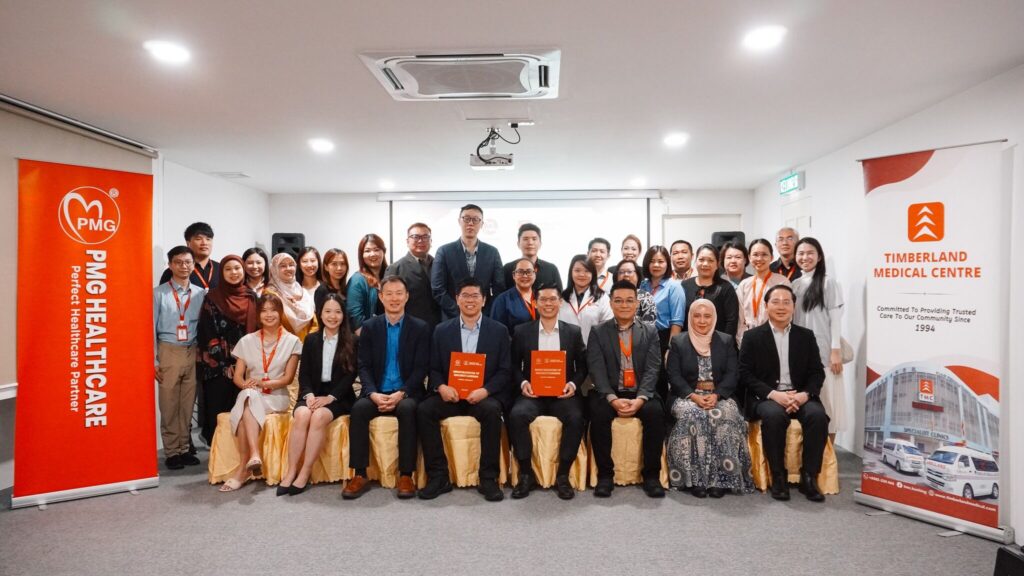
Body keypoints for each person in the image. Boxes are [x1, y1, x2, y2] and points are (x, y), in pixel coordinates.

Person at [417, 278, 512, 502]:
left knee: (492, 412)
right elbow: (433, 367)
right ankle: (438, 476)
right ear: (457, 299)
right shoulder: (441, 330)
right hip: (451, 395)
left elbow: (505, 371)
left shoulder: (499, 331)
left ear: (484, 300)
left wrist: (485, 391)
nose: (470, 300)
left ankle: (488, 478)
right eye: (465, 296)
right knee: (424, 410)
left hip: (482, 396)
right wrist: (441, 386)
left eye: (475, 296)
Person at [739, 285, 828, 502]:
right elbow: (745, 373)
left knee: (817, 416)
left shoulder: (806, 336)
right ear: (766, 306)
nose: (781, 307)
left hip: (800, 395)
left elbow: (817, 372)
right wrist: (772, 394)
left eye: (786, 302)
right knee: (774, 416)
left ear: (793, 307)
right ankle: (778, 476)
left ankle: (809, 477)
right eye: (776, 302)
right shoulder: (752, 336)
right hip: (767, 396)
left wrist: (805, 395)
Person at [345, 276, 431, 500]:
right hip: (377, 391)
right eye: (389, 294)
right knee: (359, 409)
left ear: (407, 296)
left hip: (406, 392)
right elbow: (363, 365)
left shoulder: (420, 328)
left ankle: (406, 475)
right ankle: (360, 473)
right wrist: (372, 393)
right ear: (381, 297)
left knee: (408, 409)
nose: (394, 298)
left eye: (399, 293)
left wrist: (402, 393)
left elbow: (421, 368)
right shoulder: (370, 327)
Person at [507, 284, 588, 500]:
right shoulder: (522, 331)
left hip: (563, 394)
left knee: (576, 417)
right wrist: (523, 383)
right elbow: (513, 365)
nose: (548, 304)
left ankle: (563, 475)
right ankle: (526, 474)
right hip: (533, 394)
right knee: (516, 416)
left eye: (553, 299)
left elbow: (582, 366)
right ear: (535, 303)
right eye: (543, 299)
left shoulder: (573, 332)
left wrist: (572, 385)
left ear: (560, 303)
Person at [587, 280, 667, 499]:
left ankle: (651, 476)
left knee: (655, 412)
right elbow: (596, 369)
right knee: (599, 413)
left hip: (640, 392)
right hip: (610, 392)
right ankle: (605, 476)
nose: (624, 305)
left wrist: (641, 399)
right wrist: (612, 398)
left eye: (629, 301)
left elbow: (653, 368)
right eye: (619, 301)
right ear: (611, 303)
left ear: (637, 303)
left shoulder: (650, 331)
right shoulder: (598, 332)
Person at [665, 299, 753, 498]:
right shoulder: (678, 341)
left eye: (707, 316)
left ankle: (720, 480)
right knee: (694, 415)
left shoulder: (726, 340)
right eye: (697, 316)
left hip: (719, 395)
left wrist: (717, 395)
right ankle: (696, 480)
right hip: (687, 395)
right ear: (690, 317)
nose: (702, 321)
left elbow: (733, 374)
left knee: (725, 415)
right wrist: (694, 396)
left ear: (714, 318)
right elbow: (673, 375)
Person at [219, 293, 302, 492]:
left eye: (273, 310)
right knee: (249, 397)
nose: (269, 314)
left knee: (246, 402)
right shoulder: (247, 340)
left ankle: (244, 467)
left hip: (277, 396)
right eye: (264, 311)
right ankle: (253, 457)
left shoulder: (292, 341)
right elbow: (238, 377)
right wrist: (246, 385)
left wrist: (265, 383)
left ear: (280, 313)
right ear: (258, 315)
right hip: (251, 393)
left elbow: (287, 379)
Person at [277, 293, 357, 495]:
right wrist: (309, 395)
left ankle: (305, 472)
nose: (332, 316)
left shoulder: (352, 341)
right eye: (328, 311)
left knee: (319, 416)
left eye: (337, 312)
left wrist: (331, 397)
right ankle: (291, 471)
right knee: (302, 414)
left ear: (343, 315)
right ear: (320, 314)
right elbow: (304, 374)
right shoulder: (311, 340)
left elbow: (350, 376)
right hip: (312, 393)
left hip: (339, 396)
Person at [196, 255, 257, 447]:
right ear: (221, 272)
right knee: (219, 413)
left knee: (244, 412)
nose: (233, 272)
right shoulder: (212, 298)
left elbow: (257, 331)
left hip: (247, 365)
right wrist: (225, 365)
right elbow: (207, 333)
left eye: (237, 268)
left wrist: (241, 364)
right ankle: (219, 456)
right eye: (228, 269)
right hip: (218, 367)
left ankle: (241, 453)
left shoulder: (251, 297)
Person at [154, 246, 206, 470]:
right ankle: (172, 451)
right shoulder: (158, 293)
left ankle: (184, 448)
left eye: (187, 262)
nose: (183, 266)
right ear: (170, 265)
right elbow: (149, 328)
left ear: (193, 265)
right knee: (169, 404)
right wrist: (154, 360)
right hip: (168, 350)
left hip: (192, 350)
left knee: (187, 403)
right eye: (178, 262)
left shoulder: (201, 293)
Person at [792, 237, 846, 440]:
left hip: (824, 353)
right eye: (801, 253)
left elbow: (835, 318)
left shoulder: (828, 282)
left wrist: (835, 350)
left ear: (819, 256)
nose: (805, 257)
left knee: (828, 405)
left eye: (810, 253)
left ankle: (828, 455)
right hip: (800, 352)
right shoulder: (795, 284)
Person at [432, 204, 505, 319]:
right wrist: (462, 313)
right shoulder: (444, 251)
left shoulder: (492, 252)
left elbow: (499, 288)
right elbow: (438, 289)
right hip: (452, 318)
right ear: (459, 221)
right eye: (466, 219)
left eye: (475, 219)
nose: (470, 223)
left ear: (482, 224)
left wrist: (484, 313)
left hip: (484, 318)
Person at [385, 222, 442, 328]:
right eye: (415, 237)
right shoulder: (395, 268)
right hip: (409, 327)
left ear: (431, 241)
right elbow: (389, 302)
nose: (420, 241)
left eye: (425, 237)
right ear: (407, 241)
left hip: (438, 326)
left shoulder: (440, 265)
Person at [737, 239, 791, 345]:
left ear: (771, 257)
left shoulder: (782, 282)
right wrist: (743, 342)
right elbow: (740, 320)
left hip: (776, 340)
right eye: (755, 255)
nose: (759, 258)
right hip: (749, 340)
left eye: (764, 255)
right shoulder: (744, 285)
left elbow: (787, 315)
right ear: (749, 257)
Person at [681, 244, 739, 336]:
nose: (705, 264)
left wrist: (724, 342)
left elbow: (731, 321)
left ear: (717, 264)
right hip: (688, 341)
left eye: (710, 260)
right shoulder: (684, 285)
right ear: (695, 262)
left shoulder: (726, 288)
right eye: (701, 260)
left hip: (718, 341)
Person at [639, 245, 686, 354]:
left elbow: (677, 322)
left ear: (667, 264)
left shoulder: (674, 287)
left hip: (664, 337)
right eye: (652, 261)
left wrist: (671, 349)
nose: (656, 265)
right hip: (642, 338)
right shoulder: (643, 285)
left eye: (660, 261)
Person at [557, 255, 613, 347]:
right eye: (577, 270)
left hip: (594, 349)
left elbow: (608, 326)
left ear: (593, 273)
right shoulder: (562, 297)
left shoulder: (602, 297)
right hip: (566, 349)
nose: (582, 274)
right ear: (571, 272)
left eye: (587, 271)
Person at [264, 252, 317, 341]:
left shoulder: (302, 291)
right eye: (283, 266)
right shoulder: (270, 294)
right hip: (282, 344)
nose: (288, 268)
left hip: (307, 344)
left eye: (291, 265)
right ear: (274, 269)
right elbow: (271, 324)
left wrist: (309, 341)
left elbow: (314, 321)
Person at [502, 223, 562, 292]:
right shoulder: (508, 268)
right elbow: (501, 294)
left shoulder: (551, 269)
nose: (530, 242)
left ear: (540, 243)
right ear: (518, 244)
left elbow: (559, 295)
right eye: (525, 239)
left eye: (534, 239)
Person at [347, 234, 388, 335]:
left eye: (376, 249)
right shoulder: (357, 280)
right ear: (361, 255)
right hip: (369, 337)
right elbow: (355, 319)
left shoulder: (390, 276)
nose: (372, 254)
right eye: (367, 251)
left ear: (384, 251)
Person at [160, 222, 219, 290]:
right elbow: (162, 294)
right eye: (198, 239)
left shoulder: (221, 269)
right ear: (188, 243)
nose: (204, 243)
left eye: (208, 239)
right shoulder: (174, 271)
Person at [490, 258, 538, 335]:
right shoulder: (502, 300)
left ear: (535, 275)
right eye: (520, 272)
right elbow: (495, 331)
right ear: (513, 275)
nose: (525, 275)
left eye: (529, 272)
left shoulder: (541, 297)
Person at [613, 259, 655, 328]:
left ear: (637, 276)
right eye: (621, 272)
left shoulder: (646, 297)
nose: (626, 275)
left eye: (629, 272)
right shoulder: (610, 297)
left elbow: (649, 328)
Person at [314, 248, 349, 313]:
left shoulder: (348, 289)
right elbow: (320, 316)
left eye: (342, 264)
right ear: (326, 267)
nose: (339, 268)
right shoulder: (322, 290)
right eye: (334, 264)